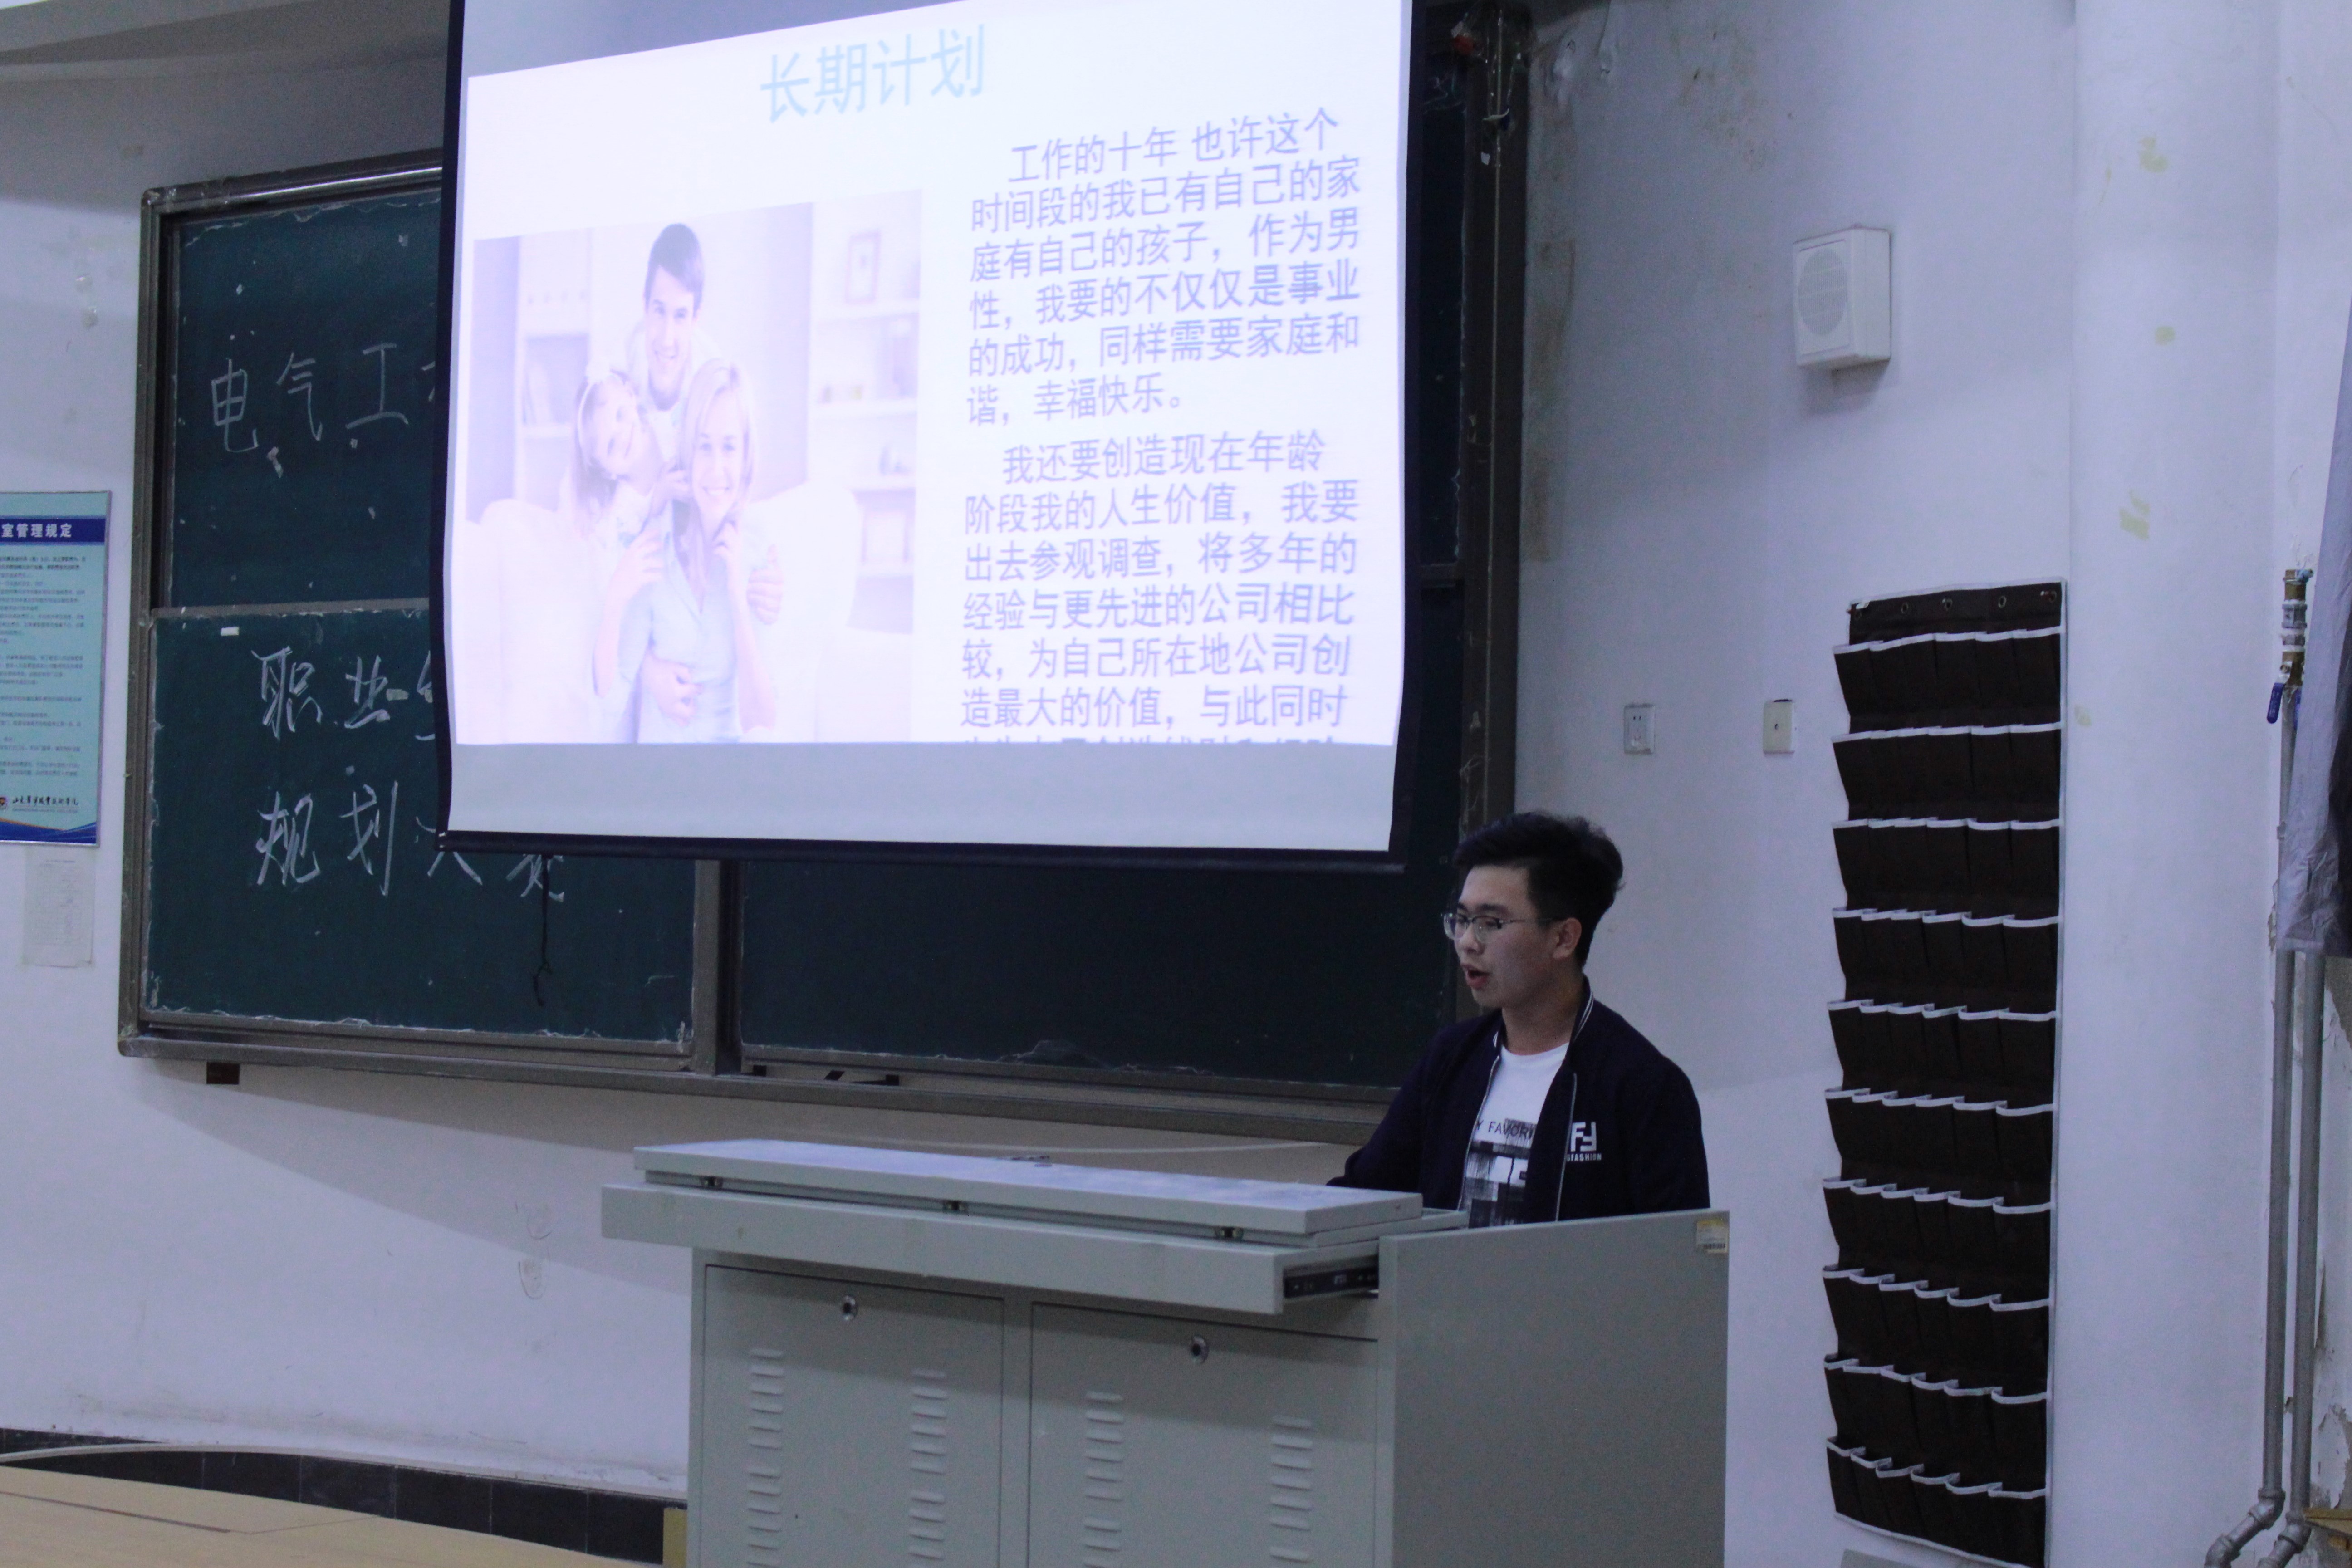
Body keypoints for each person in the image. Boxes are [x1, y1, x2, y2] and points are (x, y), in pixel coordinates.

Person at [1335, 812, 1709, 1225]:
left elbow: (1681, 1253)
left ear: (1563, 938)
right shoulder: (1451, 1059)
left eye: (1491, 923)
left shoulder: (1642, 1085)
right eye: (1462, 920)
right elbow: (1364, 1196)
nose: (1467, 942)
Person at [598, 360, 776, 742]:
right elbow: (608, 705)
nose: (716, 469)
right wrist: (615, 602)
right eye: (704, 447)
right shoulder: (653, 546)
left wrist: (736, 595)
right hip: (664, 771)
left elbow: (762, 725)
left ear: (746, 457)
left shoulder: (758, 549)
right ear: (687, 453)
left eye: (730, 448)